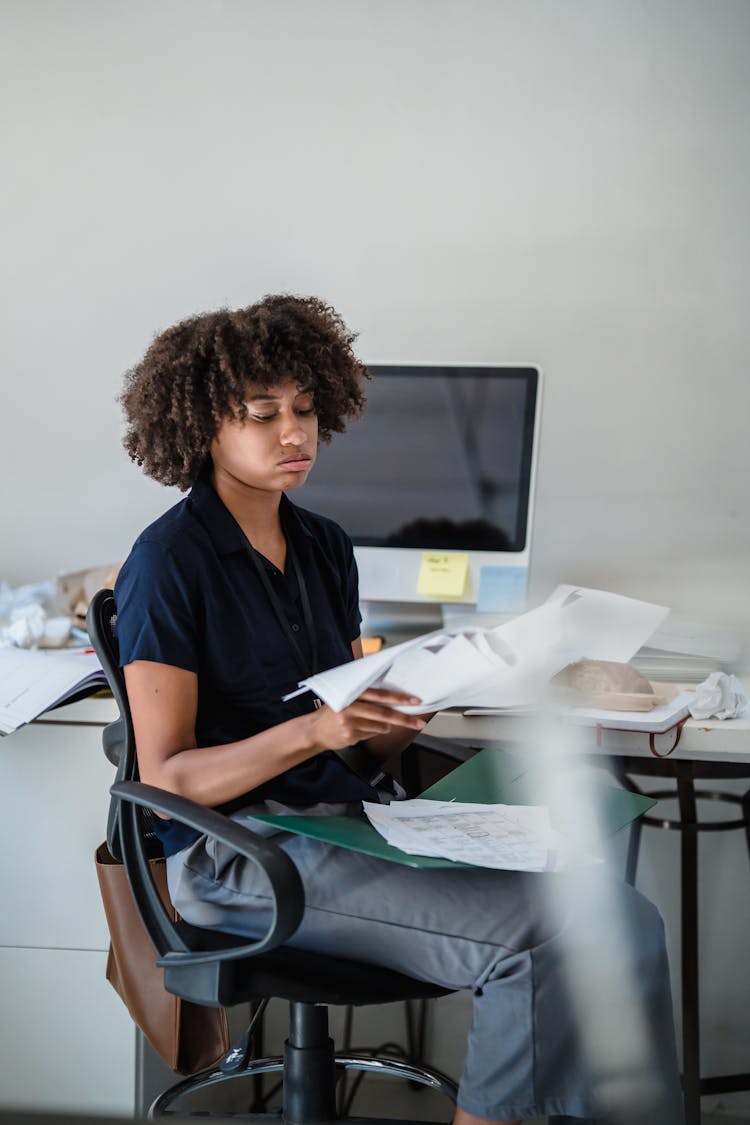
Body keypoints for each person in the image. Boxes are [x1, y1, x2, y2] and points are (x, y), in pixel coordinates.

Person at [114, 294, 684, 1125]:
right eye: (262, 414)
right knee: (549, 935)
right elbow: (168, 774)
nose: (294, 433)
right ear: (204, 423)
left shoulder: (322, 547)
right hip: (238, 857)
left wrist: (381, 729)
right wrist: (318, 727)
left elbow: (344, 752)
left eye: (306, 410)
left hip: (340, 822)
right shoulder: (167, 561)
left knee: (618, 913)